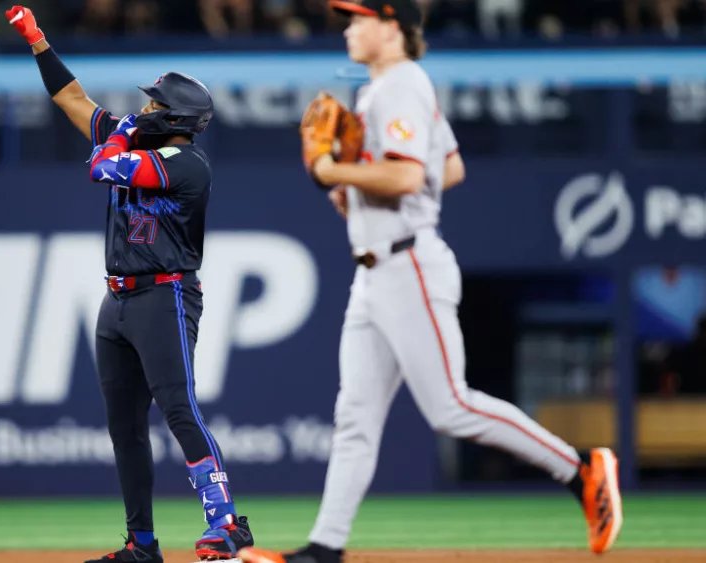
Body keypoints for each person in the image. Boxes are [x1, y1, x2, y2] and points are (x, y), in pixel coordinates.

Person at [238, 2, 623, 562]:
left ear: (391, 26)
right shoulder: (390, 88)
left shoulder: (399, 85)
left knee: (450, 406)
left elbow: (408, 174)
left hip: (409, 265)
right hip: (375, 270)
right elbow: (450, 168)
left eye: (358, 19)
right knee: (355, 418)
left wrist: (334, 173)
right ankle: (325, 549)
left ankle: (582, 469)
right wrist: (360, 191)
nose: (348, 29)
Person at [5, 5, 255, 562]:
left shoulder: (187, 163)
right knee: (124, 427)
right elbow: (72, 100)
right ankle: (141, 546)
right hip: (116, 299)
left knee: (178, 408)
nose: (144, 108)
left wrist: (120, 133)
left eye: (154, 104)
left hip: (164, 294)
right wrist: (38, 41)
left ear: (175, 118)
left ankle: (228, 525)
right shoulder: (134, 136)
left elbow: (103, 168)